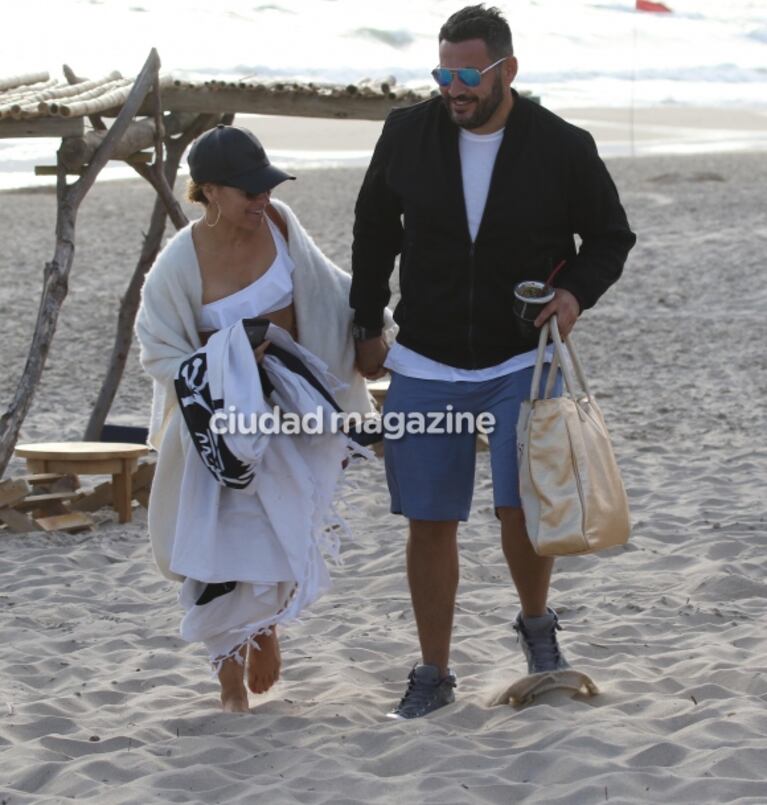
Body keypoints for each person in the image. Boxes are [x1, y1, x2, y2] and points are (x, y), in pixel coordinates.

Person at [350, 4, 636, 719]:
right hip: (423, 356)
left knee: (522, 507)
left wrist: (573, 294)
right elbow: (373, 228)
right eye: (443, 72)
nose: (454, 88)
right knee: (429, 517)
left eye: (467, 74)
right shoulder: (406, 134)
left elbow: (610, 235)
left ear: (507, 70)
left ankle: (537, 629)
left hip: (520, 355)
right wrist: (364, 320)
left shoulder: (560, 145)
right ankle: (432, 671)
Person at [136, 124, 381, 712]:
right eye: (248, 191)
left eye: (266, 186)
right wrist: (227, 360)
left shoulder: (281, 225)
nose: (261, 199)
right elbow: (158, 350)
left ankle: (266, 629)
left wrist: (379, 327)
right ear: (210, 191)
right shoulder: (178, 264)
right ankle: (227, 677)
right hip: (216, 427)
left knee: (280, 531)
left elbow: (333, 293)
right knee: (215, 551)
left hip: (289, 418)